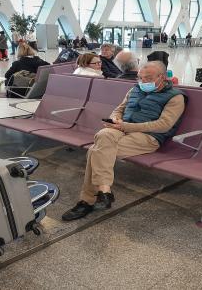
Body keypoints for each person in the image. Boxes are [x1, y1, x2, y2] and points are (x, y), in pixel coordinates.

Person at [61, 61, 186, 221]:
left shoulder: (176, 97)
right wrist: (114, 119)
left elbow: (164, 125)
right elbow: (119, 109)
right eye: (140, 78)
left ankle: (87, 201)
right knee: (103, 135)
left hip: (148, 136)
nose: (143, 82)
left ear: (162, 77)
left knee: (95, 151)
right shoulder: (135, 89)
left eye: (147, 78)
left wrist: (126, 126)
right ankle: (104, 190)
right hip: (120, 130)